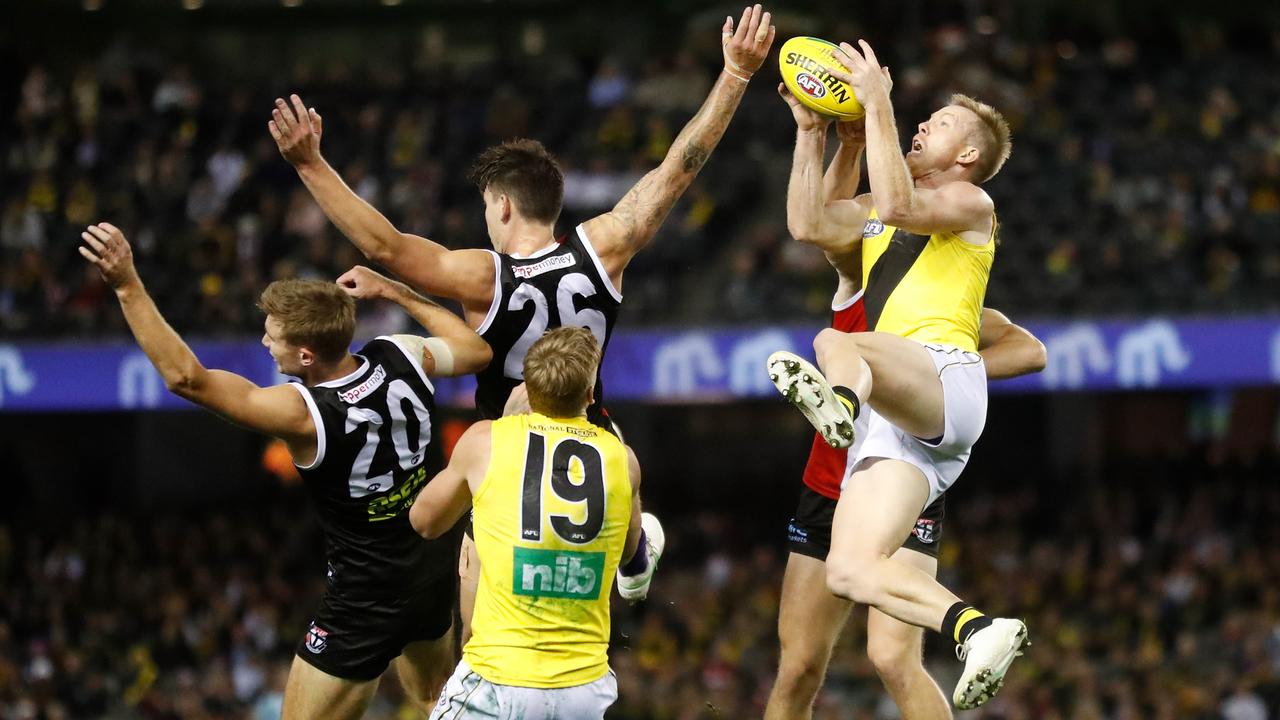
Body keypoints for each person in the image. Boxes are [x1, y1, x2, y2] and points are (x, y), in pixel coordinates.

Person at [268, 4, 777, 640]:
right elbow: (680, 166)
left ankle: (614, 566)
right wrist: (734, 75)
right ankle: (632, 549)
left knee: (482, 626)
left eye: (487, 206)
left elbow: (385, 244)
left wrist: (311, 164)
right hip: (591, 438)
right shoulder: (605, 247)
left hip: (505, 451)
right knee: (592, 570)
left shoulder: (484, 277)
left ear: (503, 205)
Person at [77, 222, 492, 719]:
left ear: (305, 355)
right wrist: (396, 291)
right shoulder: (403, 353)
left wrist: (127, 285)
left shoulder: (303, 413)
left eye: (272, 337)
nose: (264, 343)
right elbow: (477, 351)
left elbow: (186, 378)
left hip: (363, 600)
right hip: (430, 570)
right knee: (434, 701)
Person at [765, 39, 1027, 710]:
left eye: (935, 125)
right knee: (852, 572)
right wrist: (813, 130)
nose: (920, 126)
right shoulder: (882, 219)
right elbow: (808, 222)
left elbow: (904, 205)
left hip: (940, 379)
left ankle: (840, 404)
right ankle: (977, 627)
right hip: (897, 429)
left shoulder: (970, 205)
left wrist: (877, 100)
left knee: (836, 341)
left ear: (965, 157)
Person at [409, 327, 645, 719]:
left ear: (527, 390)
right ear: (589, 395)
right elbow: (630, 560)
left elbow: (424, 521)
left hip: (497, 681)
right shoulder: (624, 460)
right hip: (584, 689)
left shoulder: (486, 441)